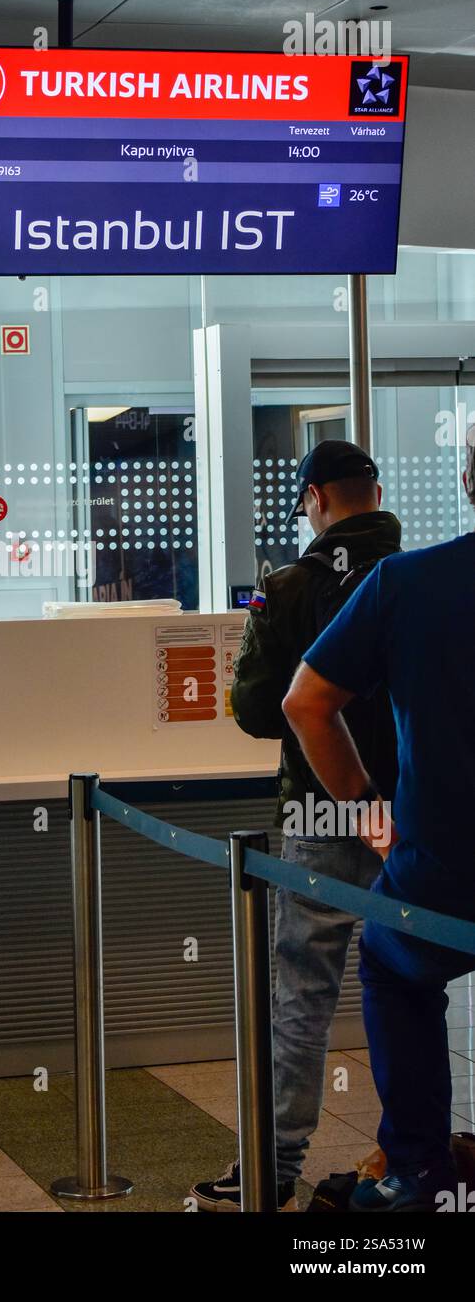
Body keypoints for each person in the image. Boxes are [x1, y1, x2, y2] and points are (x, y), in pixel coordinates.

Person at [193, 440, 402, 1212]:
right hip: (410, 818)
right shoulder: (422, 576)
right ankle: (405, 1157)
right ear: (374, 492)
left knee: (301, 999)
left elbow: (254, 710)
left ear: (315, 499)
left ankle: (272, 1165)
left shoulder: (287, 587)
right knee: (413, 987)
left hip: (319, 811)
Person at [282, 430, 475, 1212]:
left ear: (467, 478)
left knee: (395, 968)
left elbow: (302, 703)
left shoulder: (409, 583)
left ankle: (416, 1168)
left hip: (443, 869)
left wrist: (368, 808)